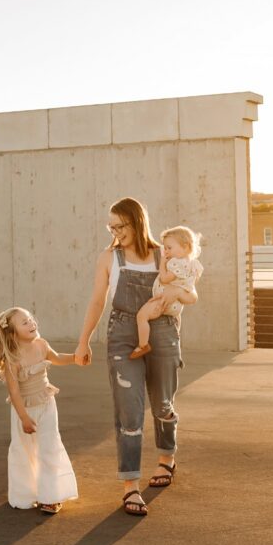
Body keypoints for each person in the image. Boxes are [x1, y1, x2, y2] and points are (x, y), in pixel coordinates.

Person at [74, 197, 195, 517]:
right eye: (110, 226)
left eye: (120, 225)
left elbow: (186, 287)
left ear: (137, 222)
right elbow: (98, 301)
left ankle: (167, 458)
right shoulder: (108, 257)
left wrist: (173, 313)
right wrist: (83, 341)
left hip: (164, 330)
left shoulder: (162, 254)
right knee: (129, 411)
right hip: (123, 334)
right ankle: (130, 485)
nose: (114, 231)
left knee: (163, 404)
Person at [0, 306, 78, 514]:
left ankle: (51, 496)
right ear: (13, 333)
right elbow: (14, 392)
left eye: (31, 319)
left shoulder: (41, 345)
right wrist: (24, 418)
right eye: (24, 322)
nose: (31, 323)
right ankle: (25, 494)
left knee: (48, 446)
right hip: (24, 410)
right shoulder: (12, 358)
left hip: (46, 404)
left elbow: (57, 358)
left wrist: (76, 357)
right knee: (23, 450)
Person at [130, 225, 203, 360]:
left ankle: (143, 345)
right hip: (177, 305)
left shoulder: (175, 263)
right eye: (165, 248)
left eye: (169, 248)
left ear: (186, 247)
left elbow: (164, 279)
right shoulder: (193, 264)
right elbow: (190, 286)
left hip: (164, 301)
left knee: (142, 316)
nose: (166, 252)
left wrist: (162, 263)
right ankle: (177, 340)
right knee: (176, 319)